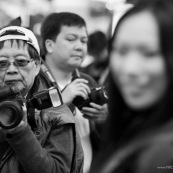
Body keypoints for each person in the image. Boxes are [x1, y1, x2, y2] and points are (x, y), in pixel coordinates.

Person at [90, 0, 173, 172]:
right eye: (121, 51)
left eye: (149, 53)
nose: (130, 68)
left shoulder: (164, 154)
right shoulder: (134, 124)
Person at [0, 26, 84, 173]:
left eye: (21, 61)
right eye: (2, 63)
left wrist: (21, 133)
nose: (11, 69)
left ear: (37, 65)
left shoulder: (56, 114)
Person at [40, 12, 108, 173]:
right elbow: (25, 134)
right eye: (71, 39)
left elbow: (104, 139)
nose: (79, 46)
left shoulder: (88, 81)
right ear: (49, 45)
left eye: (84, 40)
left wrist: (103, 119)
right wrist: (61, 101)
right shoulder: (34, 81)